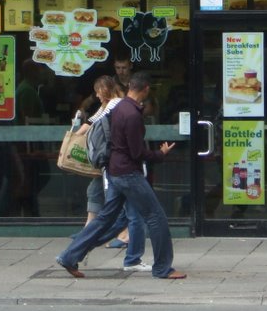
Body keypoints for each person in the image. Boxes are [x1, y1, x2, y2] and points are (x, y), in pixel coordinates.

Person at [56, 72, 186, 280]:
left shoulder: (118, 109)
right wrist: (159, 154)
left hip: (114, 171)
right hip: (128, 173)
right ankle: (163, 268)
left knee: (105, 219)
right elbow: (137, 152)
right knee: (156, 216)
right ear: (146, 90)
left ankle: (69, 256)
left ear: (130, 88)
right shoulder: (132, 115)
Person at [78, 75, 149, 271]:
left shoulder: (116, 105)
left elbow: (93, 123)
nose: (97, 95)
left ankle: (81, 246)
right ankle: (82, 246)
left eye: (99, 91)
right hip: (120, 170)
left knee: (117, 215)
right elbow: (94, 121)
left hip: (115, 168)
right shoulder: (116, 106)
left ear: (107, 89)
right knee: (122, 215)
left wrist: (74, 136)